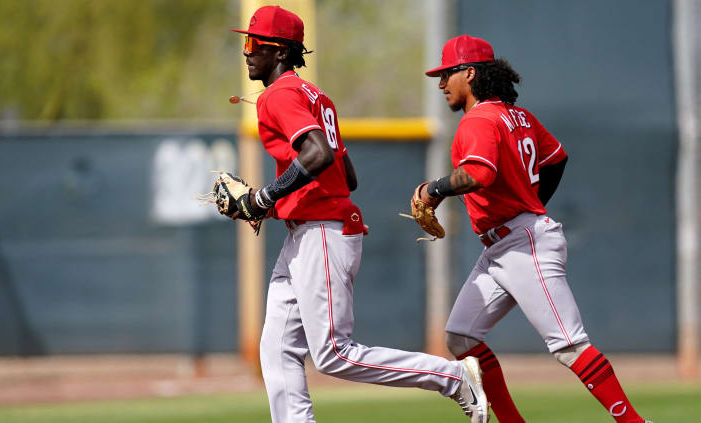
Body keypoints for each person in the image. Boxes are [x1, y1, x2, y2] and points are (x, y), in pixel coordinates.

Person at [229, 6, 489, 423]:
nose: (246, 52)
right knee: (276, 351)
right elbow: (345, 175)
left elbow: (318, 154)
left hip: (323, 233)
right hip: (308, 232)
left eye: (253, 43)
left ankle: (454, 377)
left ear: (279, 52)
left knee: (333, 354)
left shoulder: (280, 94)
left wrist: (263, 198)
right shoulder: (316, 95)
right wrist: (278, 203)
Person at [417, 34, 652, 423]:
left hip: (523, 242)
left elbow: (479, 172)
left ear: (470, 73)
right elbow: (556, 158)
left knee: (569, 346)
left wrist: (434, 190)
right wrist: (533, 200)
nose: (441, 84)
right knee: (461, 337)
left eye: (447, 74)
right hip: (504, 243)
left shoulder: (478, 119)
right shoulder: (520, 117)